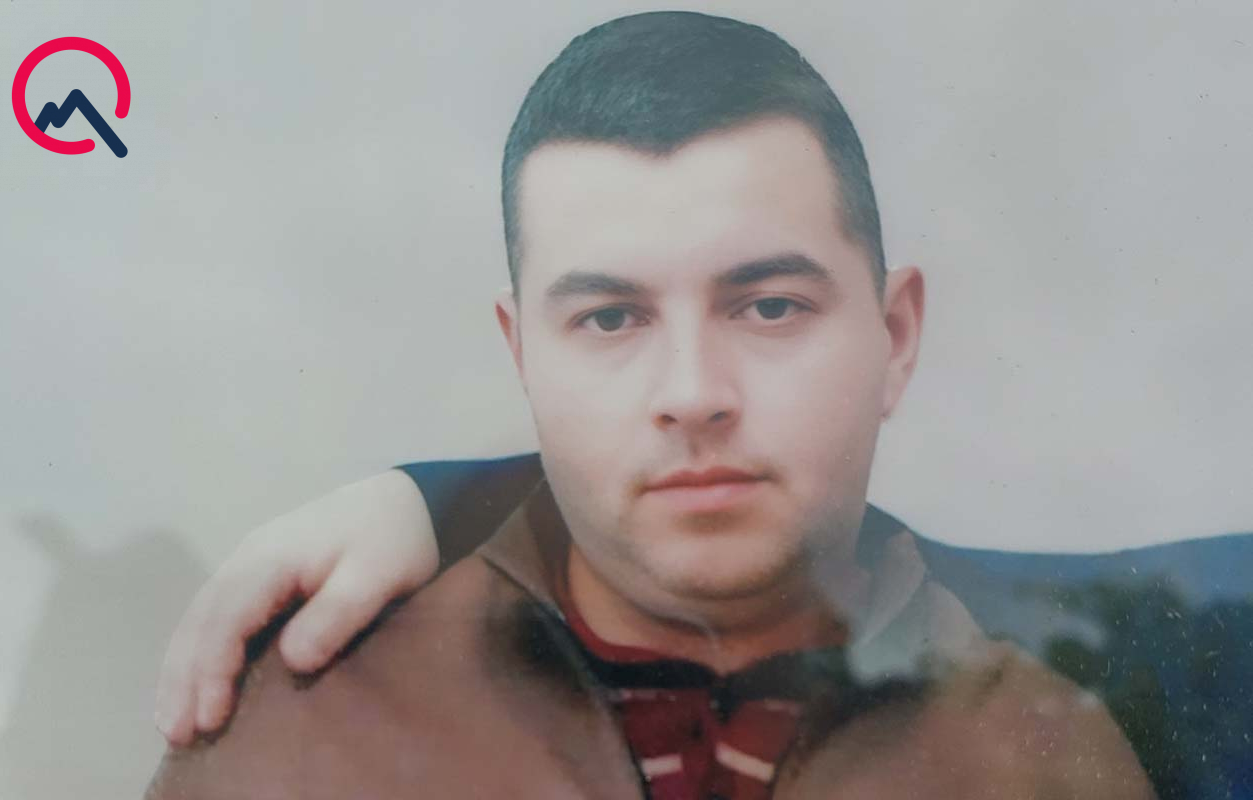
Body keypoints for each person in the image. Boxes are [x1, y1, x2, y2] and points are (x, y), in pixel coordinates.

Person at [146, 11, 1153, 798]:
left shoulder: (1048, 752)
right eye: (609, 319)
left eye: (768, 306)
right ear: (522, 355)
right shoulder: (307, 732)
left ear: (893, 337)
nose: (692, 394)